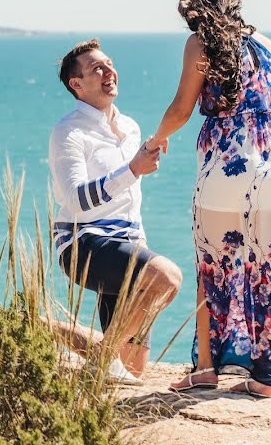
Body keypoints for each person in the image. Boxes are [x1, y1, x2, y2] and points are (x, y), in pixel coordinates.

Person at [147, 0, 271, 398]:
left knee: (213, 264)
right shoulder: (268, 44)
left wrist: (157, 139)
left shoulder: (200, 45)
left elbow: (182, 107)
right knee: (270, 264)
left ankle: (207, 367)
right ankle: (264, 377)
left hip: (226, 164)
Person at [48, 38, 183, 384]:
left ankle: (52, 328)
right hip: (84, 244)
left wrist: (144, 154)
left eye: (109, 64)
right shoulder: (69, 132)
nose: (109, 72)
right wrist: (133, 169)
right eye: (97, 69)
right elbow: (75, 198)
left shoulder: (131, 128)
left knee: (133, 372)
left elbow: (128, 201)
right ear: (76, 85)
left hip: (127, 246)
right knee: (167, 278)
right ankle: (104, 356)